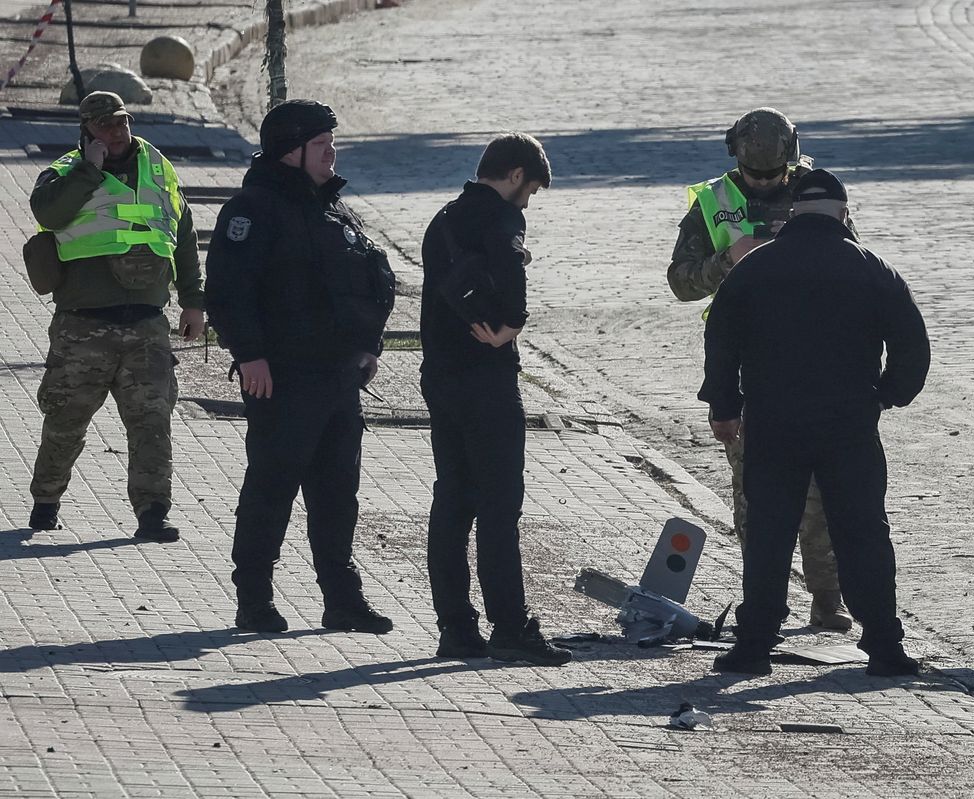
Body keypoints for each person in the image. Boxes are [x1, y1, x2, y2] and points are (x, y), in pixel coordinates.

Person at [699, 169, 930, 676]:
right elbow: (913, 344)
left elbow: (721, 337)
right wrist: (886, 396)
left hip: (775, 421)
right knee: (863, 531)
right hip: (849, 423)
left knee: (769, 532)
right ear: (844, 214)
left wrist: (724, 404)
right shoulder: (871, 267)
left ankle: (755, 644)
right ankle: (885, 644)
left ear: (792, 214)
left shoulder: (757, 267)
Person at [206, 100, 396, 635]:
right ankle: (254, 599)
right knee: (271, 487)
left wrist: (369, 346)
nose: (331, 154)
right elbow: (227, 291)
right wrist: (249, 355)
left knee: (338, 493)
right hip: (282, 376)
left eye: (331, 144)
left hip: (338, 377)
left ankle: (342, 599)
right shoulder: (253, 209)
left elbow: (369, 281)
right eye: (321, 145)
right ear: (290, 152)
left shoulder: (331, 207)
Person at [668, 107, 851, 631]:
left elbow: (852, 259)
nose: (765, 183)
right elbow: (680, 282)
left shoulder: (818, 193)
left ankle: (828, 598)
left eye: (774, 175)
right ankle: (763, 599)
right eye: (756, 175)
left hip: (814, 364)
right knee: (756, 495)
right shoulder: (713, 203)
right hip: (746, 366)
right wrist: (726, 261)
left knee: (820, 495)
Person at [419, 133, 571, 666]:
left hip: (439, 373)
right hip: (486, 377)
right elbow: (512, 285)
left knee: (452, 500)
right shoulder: (503, 221)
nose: (528, 201)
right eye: (529, 190)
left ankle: (455, 628)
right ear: (514, 176)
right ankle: (510, 625)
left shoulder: (442, 218)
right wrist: (511, 327)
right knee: (500, 507)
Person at [27, 90, 204, 542]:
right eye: (106, 126)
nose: (117, 132)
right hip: (84, 322)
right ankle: (46, 500)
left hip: (147, 322)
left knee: (153, 421)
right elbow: (48, 213)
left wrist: (193, 299)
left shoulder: (158, 167)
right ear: (87, 132)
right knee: (66, 418)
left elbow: (181, 232)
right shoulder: (66, 172)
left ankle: (152, 512)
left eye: (121, 123)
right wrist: (91, 168)